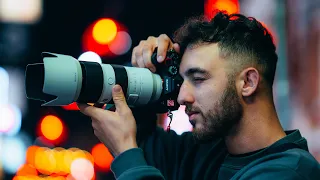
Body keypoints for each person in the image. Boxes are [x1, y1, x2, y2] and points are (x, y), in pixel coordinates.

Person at [78, 11, 320, 179]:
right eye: (182, 81)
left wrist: (126, 154)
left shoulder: (289, 171)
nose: (183, 97)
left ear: (248, 82)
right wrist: (150, 73)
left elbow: (133, 157)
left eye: (199, 79)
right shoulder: (206, 154)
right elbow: (143, 145)